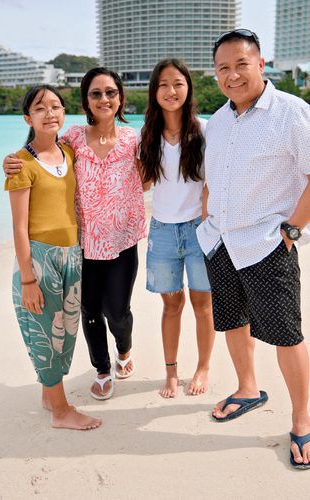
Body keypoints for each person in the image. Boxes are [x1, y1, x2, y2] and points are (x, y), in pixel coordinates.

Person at [197, 29, 310, 468]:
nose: (232, 75)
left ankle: (302, 420)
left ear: (261, 64)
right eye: (223, 68)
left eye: (241, 65)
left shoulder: (292, 114)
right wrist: (209, 220)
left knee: (287, 334)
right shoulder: (220, 119)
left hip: (267, 243)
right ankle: (248, 388)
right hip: (222, 240)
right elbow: (211, 178)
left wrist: (293, 231)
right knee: (233, 321)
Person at [4, 68, 146, 401]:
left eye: (110, 92)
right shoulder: (73, 139)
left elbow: (150, 175)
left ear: (121, 97)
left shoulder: (132, 139)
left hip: (122, 241)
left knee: (118, 311)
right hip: (82, 245)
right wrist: (10, 162)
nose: (104, 99)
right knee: (90, 311)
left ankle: (124, 350)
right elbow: (40, 155)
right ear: (86, 100)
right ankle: (102, 369)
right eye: (95, 93)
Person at [5, 85, 101, 430]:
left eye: (57, 106)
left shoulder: (69, 153)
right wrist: (29, 278)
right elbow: (18, 228)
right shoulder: (20, 164)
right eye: (41, 108)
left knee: (67, 330)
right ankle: (61, 411)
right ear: (28, 117)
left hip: (71, 256)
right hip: (39, 260)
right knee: (45, 333)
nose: (50, 113)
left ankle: (49, 394)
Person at [138, 59, 215, 398]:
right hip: (163, 232)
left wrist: (208, 220)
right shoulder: (147, 136)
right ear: (154, 92)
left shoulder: (206, 130)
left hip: (200, 229)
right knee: (171, 304)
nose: (171, 91)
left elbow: (213, 182)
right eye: (164, 84)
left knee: (203, 304)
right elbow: (143, 184)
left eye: (178, 83)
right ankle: (171, 374)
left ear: (188, 88)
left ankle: (203, 367)